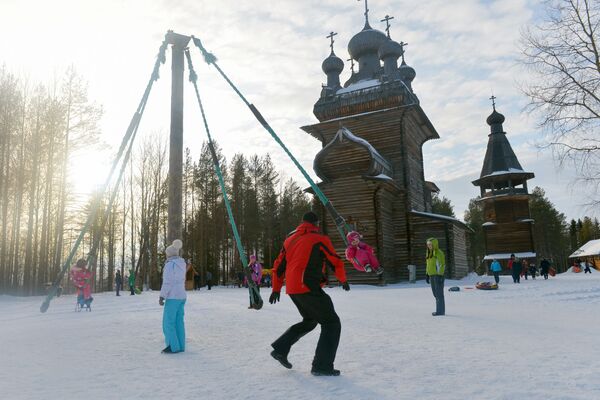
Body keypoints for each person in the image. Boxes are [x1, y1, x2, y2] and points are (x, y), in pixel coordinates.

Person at [269, 211, 350, 377]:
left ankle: (280, 348)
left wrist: (276, 288)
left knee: (310, 320)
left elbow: (278, 267)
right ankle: (322, 365)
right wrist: (343, 279)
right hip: (307, 287)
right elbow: (335, 261)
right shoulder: (319, 239)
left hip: (293, 289)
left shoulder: (289, 240)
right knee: (331, 323)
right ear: (317, 224)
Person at [159, 239, 187, 354]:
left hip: (173, 296)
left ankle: (172, 346)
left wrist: (162, 296)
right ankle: (180, 345)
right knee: (179, 321)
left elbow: (168, 282)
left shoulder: (170, 265)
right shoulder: (182, 264)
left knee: (168, 322)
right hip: (182, 296)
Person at [426, 238, 446, 316]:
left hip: (438, 275)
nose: (429, 246)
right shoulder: (428, 253)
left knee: (439, 294)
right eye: (428, 244)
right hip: (431, 275)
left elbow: (442, 265)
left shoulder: (438, 253)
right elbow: (428, 265)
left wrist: (440, 275)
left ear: (434, 244)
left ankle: (440, 311)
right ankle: (439, 310)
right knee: (435, 293)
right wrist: (427, 274)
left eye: (430, 244)